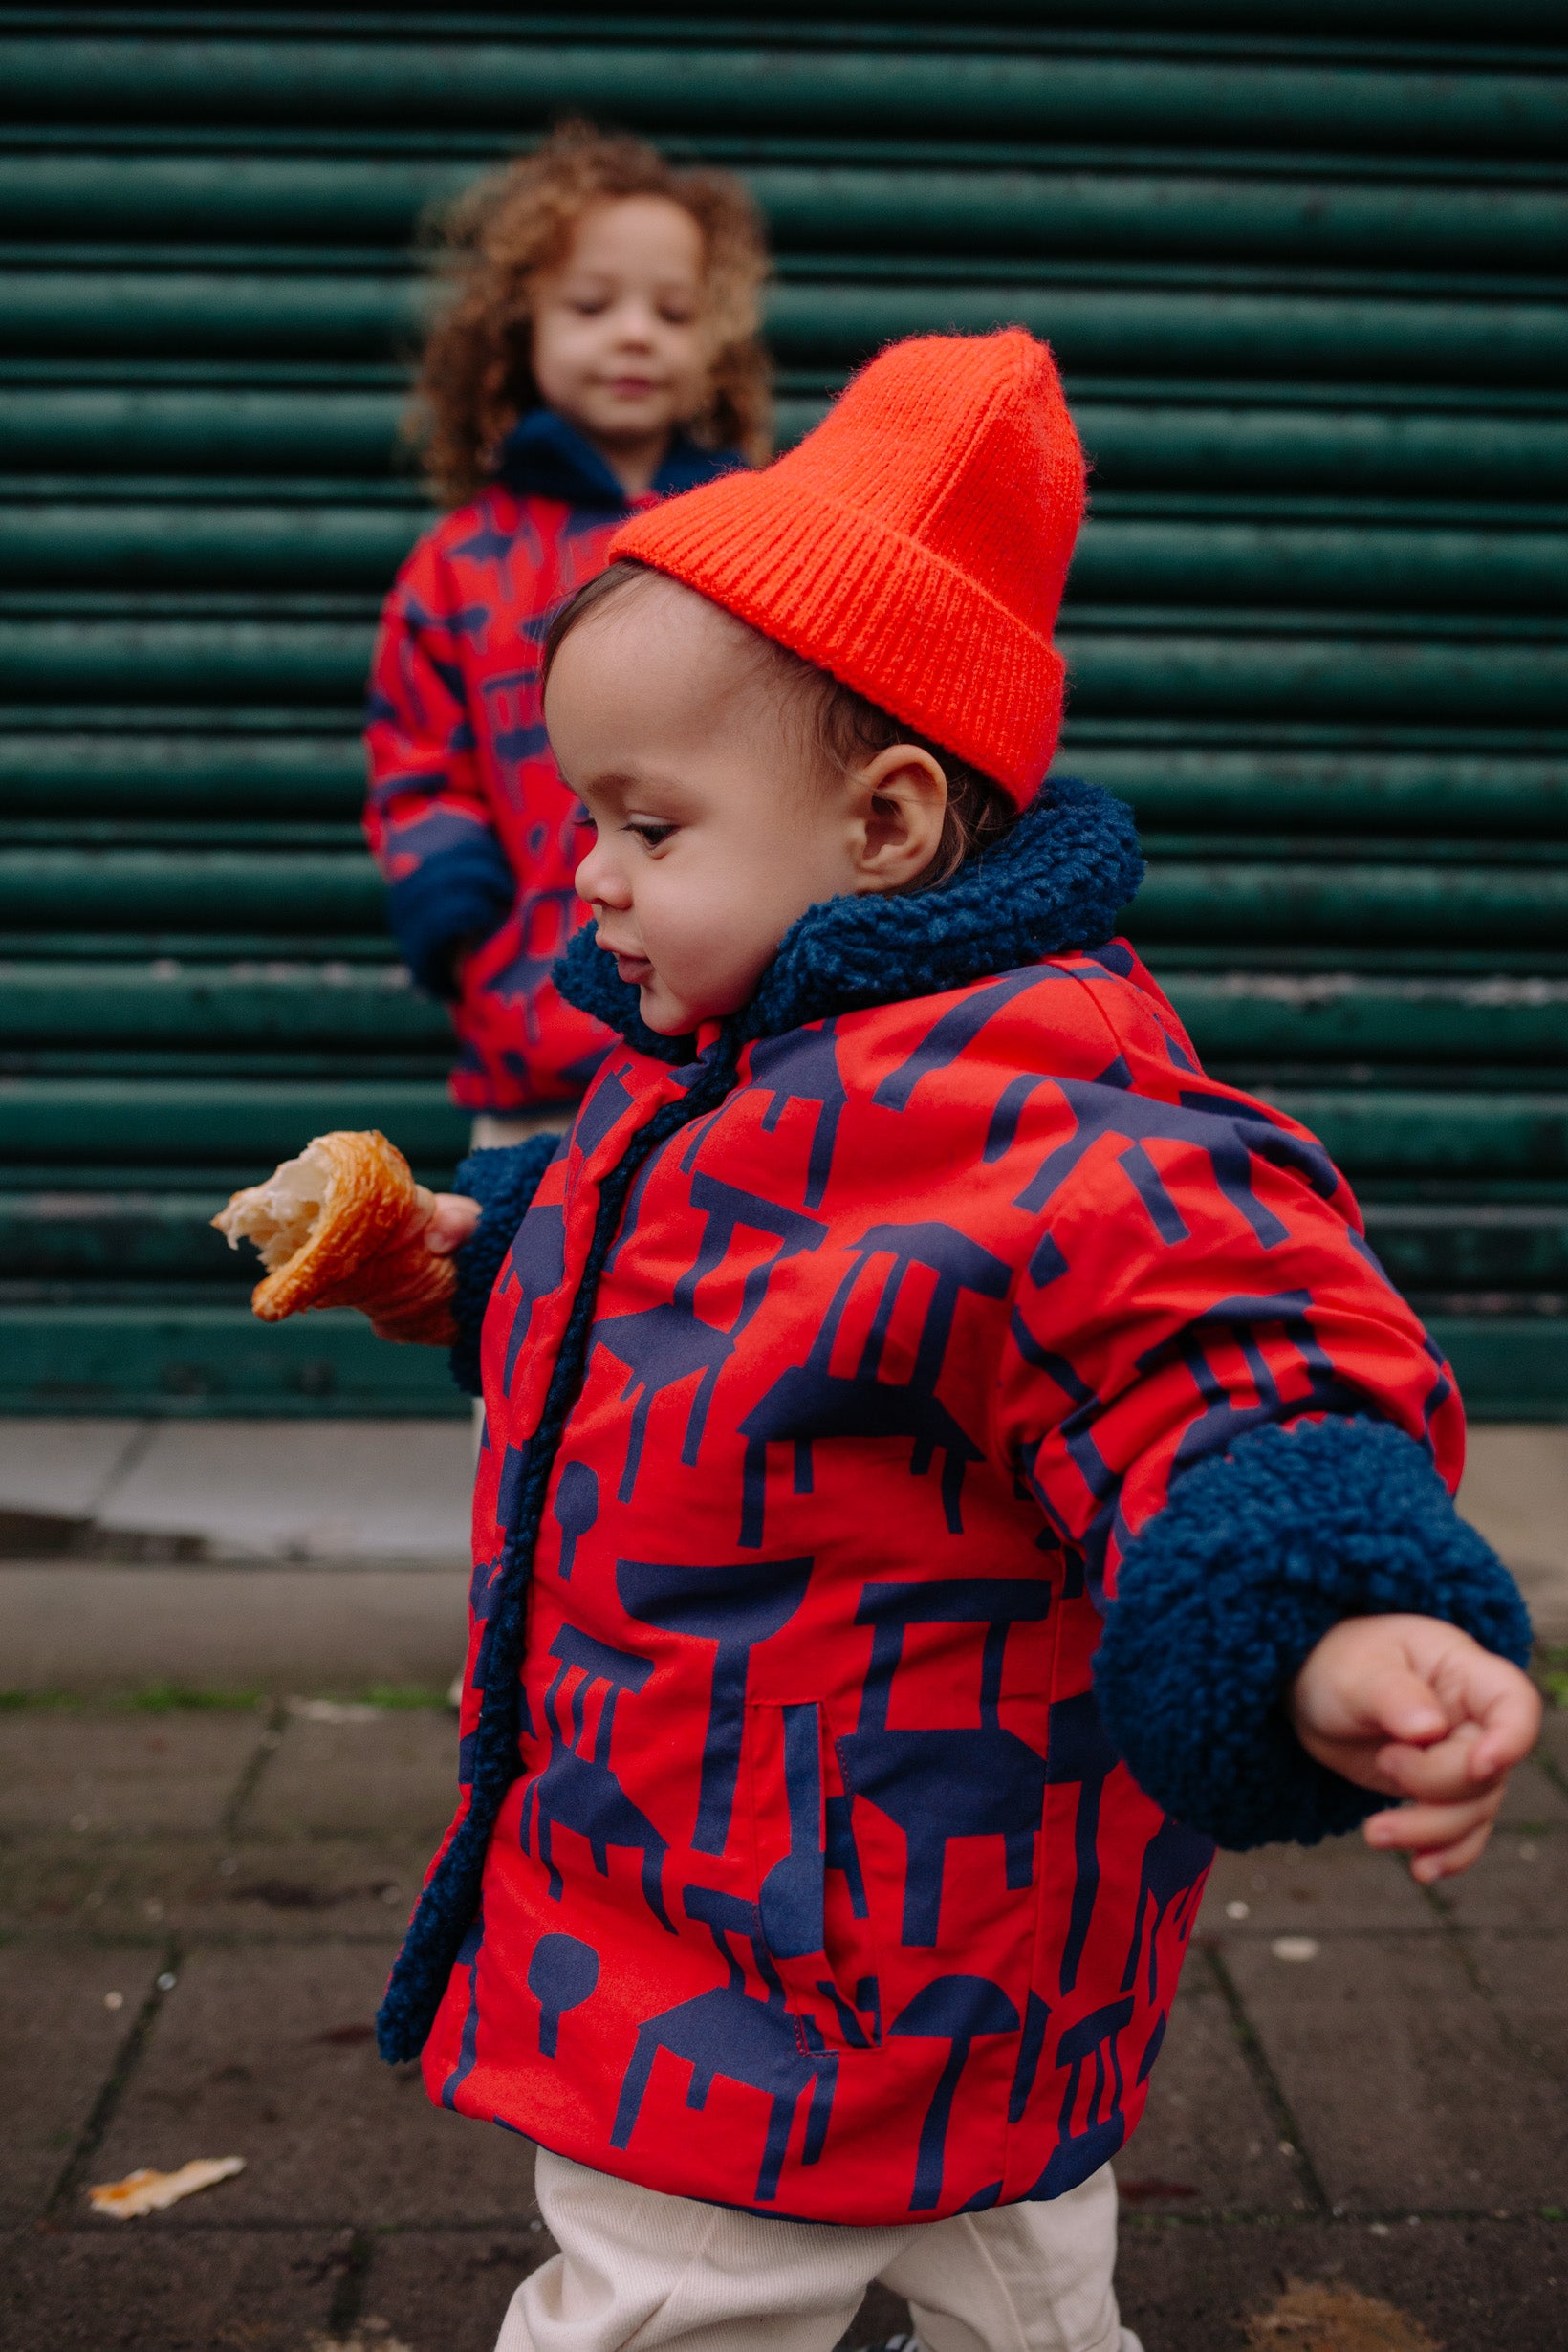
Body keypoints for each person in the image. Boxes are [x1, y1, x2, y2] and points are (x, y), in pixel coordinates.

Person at [360, 332, 1537, 2352]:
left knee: (642, 2312)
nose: (586, 871)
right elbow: (702, 1279)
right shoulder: (739, 1063)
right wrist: (482, 1271)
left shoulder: (1051, 1127)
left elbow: (1224, 1363)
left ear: (888, 824)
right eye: (580, 815)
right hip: (925, 1984)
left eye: (646, 823)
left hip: (770, 1976)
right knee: (1013, 2292)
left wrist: (1333, 1614)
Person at [363, 120, 772, 1151]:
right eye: (592, 305)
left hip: (740, 1036)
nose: (635, 333)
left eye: (672, 311)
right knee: (522, 1280)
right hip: (533, 1036)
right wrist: (463, 936)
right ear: (519, 329)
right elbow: (419, 768)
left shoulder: (758, 533)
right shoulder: (457, 564)